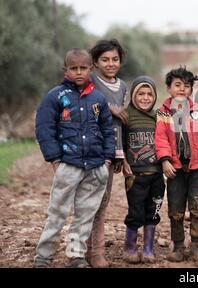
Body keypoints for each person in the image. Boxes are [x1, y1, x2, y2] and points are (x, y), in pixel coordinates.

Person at [33, 49, 115, 268]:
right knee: (57, 212)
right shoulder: (55, 96)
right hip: (67, 165)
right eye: (74, 68)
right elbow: (44, 128)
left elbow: (107, 130)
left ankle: (76, 256)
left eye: (83, 68)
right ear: (65, 70)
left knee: (85, 214)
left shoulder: (98, 98)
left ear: (91, 69)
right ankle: (43, 256)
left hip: (96, 166)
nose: (79, 72)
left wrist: (107, 160)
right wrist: (54, 160)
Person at [155, 66, 198, 262]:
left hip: (197, 168)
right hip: (176, 169)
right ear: (169, 88)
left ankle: (197, 244)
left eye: (186, 86)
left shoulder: (197, 112)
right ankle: (178, 245)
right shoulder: (164, 113)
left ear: (191, 90)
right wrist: (164, 160)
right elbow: (161, 138)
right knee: (176, 208)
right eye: (177, 85)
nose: (182, 89)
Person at [87, 39, 128, 267]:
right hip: (92, 150)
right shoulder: (90, 81)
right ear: (95, 62)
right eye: (104, 59)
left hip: (111, 151)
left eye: (115, 59)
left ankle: (96, 252)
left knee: (103, 202)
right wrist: (109, 107)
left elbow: (121, 124)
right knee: (88, 201)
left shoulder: (122, 87)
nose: (110, 64)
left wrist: (120, 153)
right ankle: (88, 252)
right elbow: (84, 102)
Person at [121, 76, 165, 263]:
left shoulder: (158, 117)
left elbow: (165, 141)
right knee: (135, 211)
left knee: (153, 211)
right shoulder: (126, 116)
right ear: (133, 95)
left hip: (156, 174)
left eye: (149, 94)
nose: (145, 98)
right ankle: (130, 246)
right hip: (135, 175)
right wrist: (123, 163)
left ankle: (148, 248)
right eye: (141, 94)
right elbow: (120, 143)